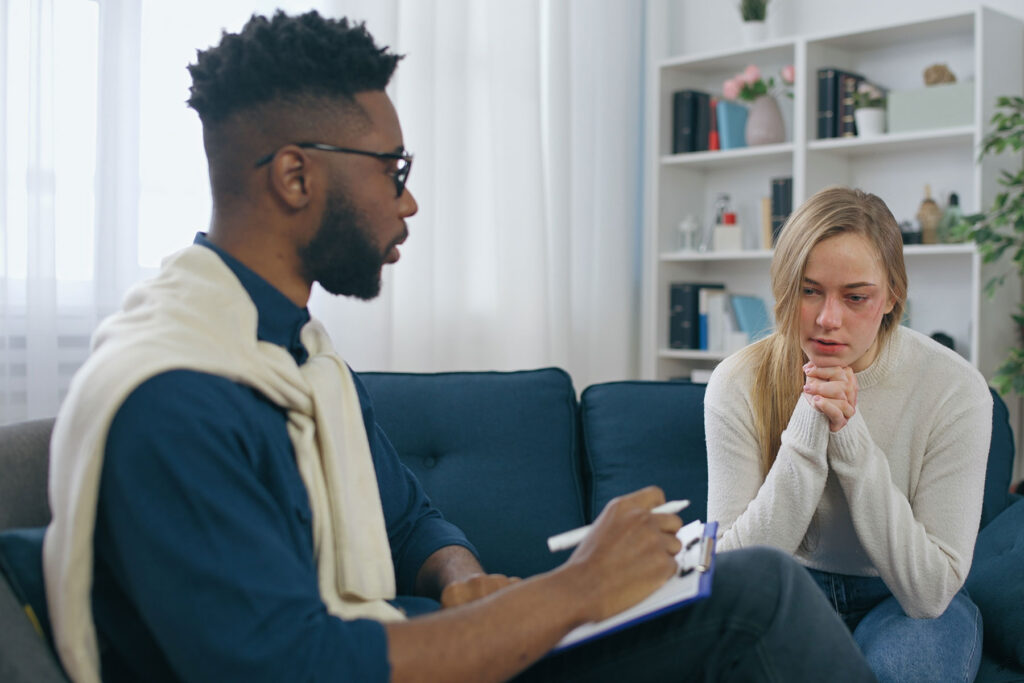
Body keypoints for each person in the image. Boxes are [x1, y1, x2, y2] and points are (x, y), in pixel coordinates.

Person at [43, 11, 876, 683]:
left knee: (734, 586)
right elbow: (290, 665)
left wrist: (456, 574)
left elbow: (408, 516)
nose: (409, 202)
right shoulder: (180, 394)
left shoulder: (296, 350)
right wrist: (577, 589)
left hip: (407, 639)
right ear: (296, 177)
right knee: (756, 591)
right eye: (391, 169)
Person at [705, 186, 992, 682]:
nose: (827, 320)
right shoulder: (736, 382)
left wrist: (851, 436)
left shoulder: (955, 389)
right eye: (809, 290)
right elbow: (729, 575)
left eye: (855, 297)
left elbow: (928, 591)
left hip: (901, 598)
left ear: (892, 297)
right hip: (788, 589)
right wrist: (810, 419)